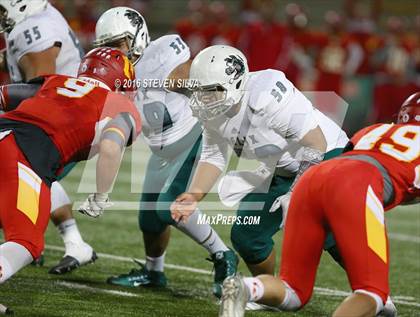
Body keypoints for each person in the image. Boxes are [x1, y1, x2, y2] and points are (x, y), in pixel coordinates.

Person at [218, 92, 420, 317]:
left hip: (313, 176)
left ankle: (247, 287)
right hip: (358, 184)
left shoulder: (374, 130)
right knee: (372, 292)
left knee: (294, 292)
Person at [170, 45, 349, 287]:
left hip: (328, 155)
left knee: (325, 228)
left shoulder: (266, 94)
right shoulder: (213, 109)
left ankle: (375, 293)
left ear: (234, 84)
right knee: (247, 235)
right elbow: (213, 155)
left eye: (211, 91)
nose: (204, 97)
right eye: (200, 90)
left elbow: (315, 143)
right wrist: (193, 195)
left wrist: (295, 193)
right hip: (282, 167)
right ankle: (268, 290)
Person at [94, 7, 237, 297]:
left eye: (118, 44)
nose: (113, 52)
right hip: (161, 149)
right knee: (149, 219)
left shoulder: (162, 52)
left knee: (168, 207)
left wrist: (189, 83)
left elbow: (190, 73)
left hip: (192, 137)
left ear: (137, 37)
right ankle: (154, 272)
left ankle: (224, 256)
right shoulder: (113, 70)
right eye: (107, 47)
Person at [0, 47, 141, 310]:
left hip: (5, 132)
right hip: (24, 154)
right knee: (26, 241)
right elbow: (111, 147)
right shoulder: (120, 104)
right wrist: (100, 196)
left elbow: (4, 95)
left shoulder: (56, 81)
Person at [0, 0, 94, 273]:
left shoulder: (34, 30)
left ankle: (23, 244)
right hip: (59, 124)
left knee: (19, 177)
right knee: (36, 179)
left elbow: (40, 96)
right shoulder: (38, 18)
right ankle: (74, 243)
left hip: (54, 128)